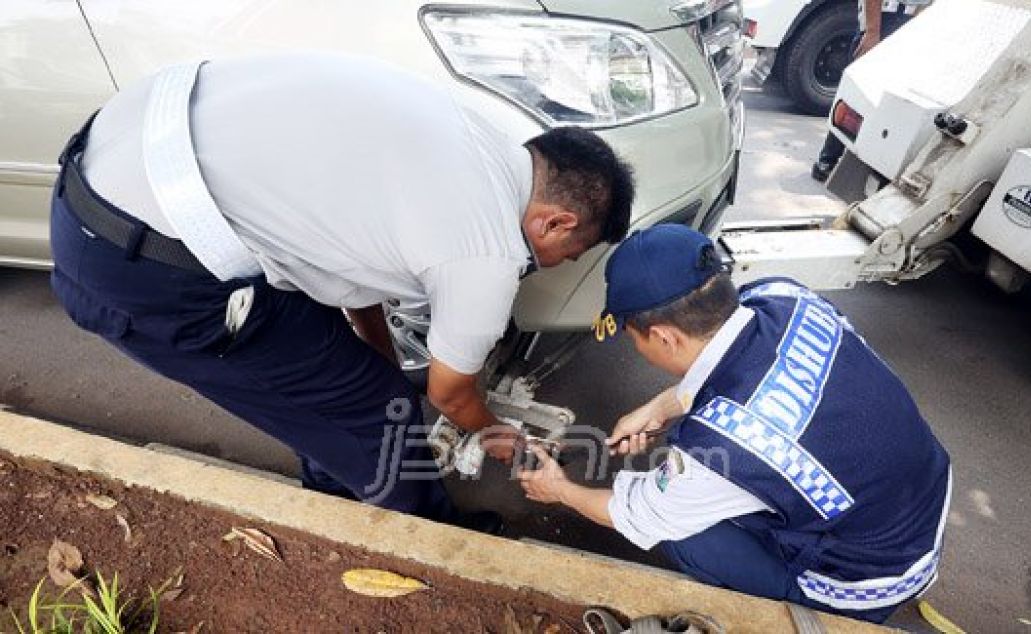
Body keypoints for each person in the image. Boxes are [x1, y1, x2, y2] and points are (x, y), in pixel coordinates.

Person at [50, 52, 635, 530]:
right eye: (572, 254)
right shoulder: (487, 251)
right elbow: (451, 393)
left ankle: (333, 502)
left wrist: (373, 349)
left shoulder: (475, 135)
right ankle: (427, 542)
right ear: (555, 222)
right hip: (147, 263)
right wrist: (496, 434)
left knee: (336, 381)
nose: (559, 264)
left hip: (120, 158)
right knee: (385, 413)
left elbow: (352, 260)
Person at [520, 225, 951, 623]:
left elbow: (636, 513)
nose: (635, 347)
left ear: (666, 336)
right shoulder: (783, 297)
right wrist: (660, 408)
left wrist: (558, 490)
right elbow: (760, 373)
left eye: (633, 336)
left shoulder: (720, 451)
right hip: (917, 513)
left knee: (680, 530)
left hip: (861, 581)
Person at [811, 0, 932, 182]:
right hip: (884, 20)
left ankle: (868, 168)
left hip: (909, 24)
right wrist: (872, 32)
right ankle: (827, 160)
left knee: (890, 106)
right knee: (857, 99)